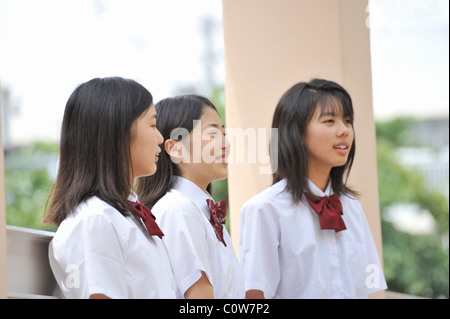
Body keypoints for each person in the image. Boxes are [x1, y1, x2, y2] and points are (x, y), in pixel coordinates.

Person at [239, 79, 387, 299]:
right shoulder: (264, 210)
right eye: (329, 120)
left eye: (348, 120)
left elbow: (371, 286)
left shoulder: (352, 206)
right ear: (296, 133)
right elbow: (255, 295)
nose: (344, 130)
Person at [44, 77, 176, 299]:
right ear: (118, 131)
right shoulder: (95, 220)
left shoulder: (119, 216)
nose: (161, 138)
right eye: (153, 125)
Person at [136, 95, 244, 299]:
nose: (225, 144)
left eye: (224, 133)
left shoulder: (200, 211)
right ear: (175, 148)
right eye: (212, 134)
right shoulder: (179, 209)